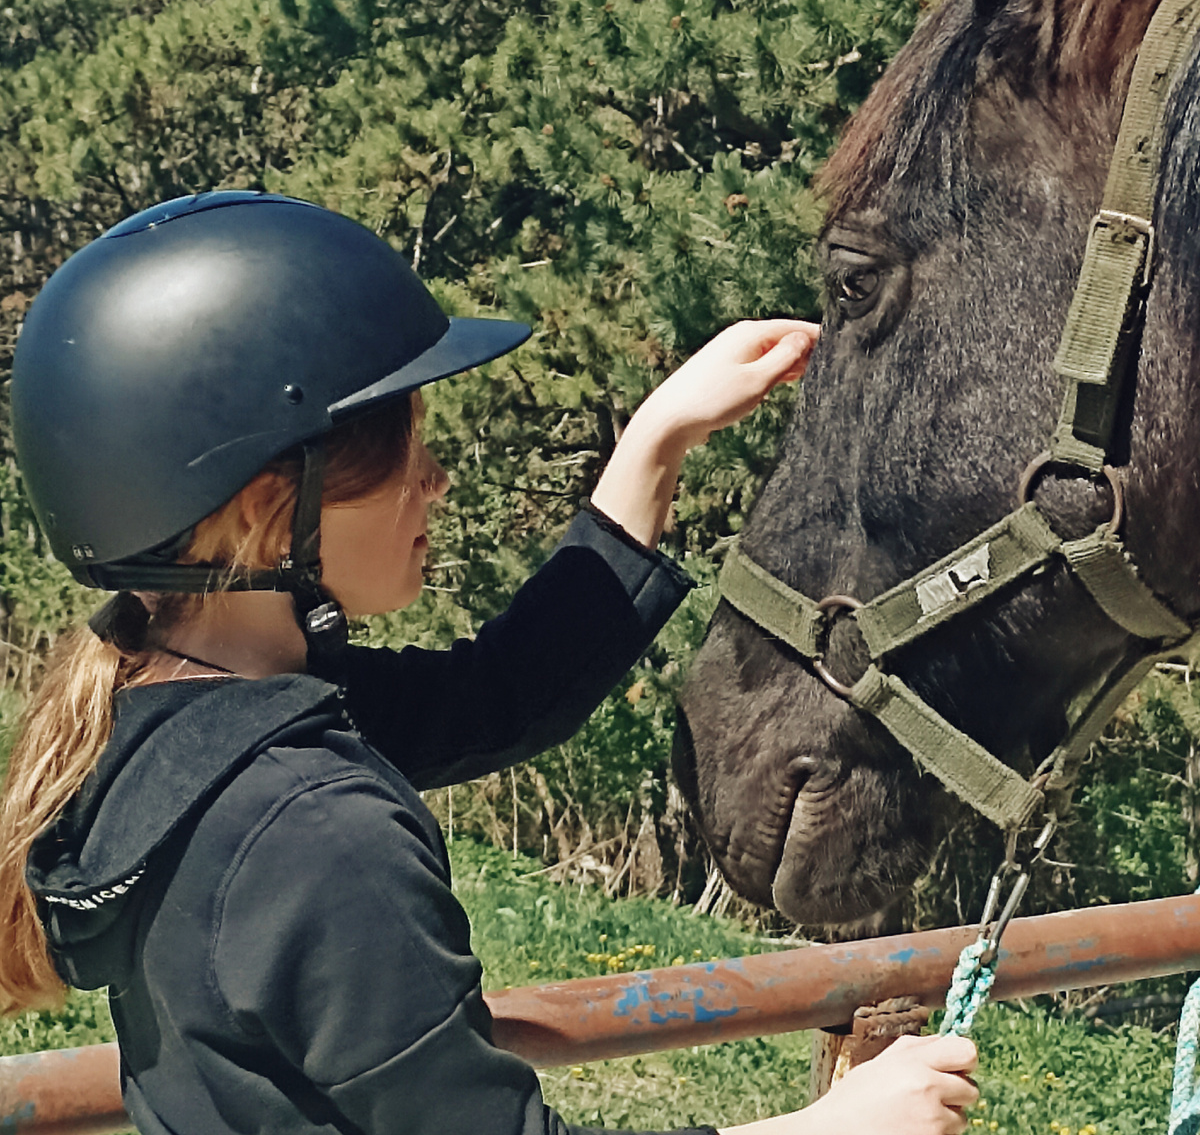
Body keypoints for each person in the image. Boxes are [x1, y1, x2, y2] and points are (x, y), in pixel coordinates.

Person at [0, 192, 977, 1135]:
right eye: (402, 449)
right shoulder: (315, 831)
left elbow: (501, 696)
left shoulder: (164, 727)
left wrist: (656, 440)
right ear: (268, 511)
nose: (435, 480)